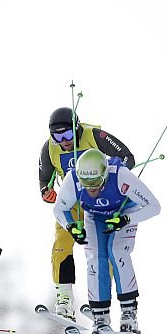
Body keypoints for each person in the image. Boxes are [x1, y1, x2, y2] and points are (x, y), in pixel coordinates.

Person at [37, 107, 136, 319]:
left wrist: (115, 174)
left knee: (99, 251)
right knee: (61, 245)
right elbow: (44, 179)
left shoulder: (93, 135)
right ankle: (64, 299)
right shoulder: (49, 149)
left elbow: (128, 157)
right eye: (57, 136)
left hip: (98, 200)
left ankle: (100, 298)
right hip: (72, 201)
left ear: (77, 128)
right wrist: (47, 192)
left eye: (68, 134)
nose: (64, 141)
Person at [53, 148, 160, 334]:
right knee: (95, 257)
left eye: (96, 184)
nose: (92, 190)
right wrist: (71, 227)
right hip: (95, 217)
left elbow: (154, 206)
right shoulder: (73, 179)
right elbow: (60, 208)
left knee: (116, 252)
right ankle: (100, 318)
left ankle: (129, 314)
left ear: (104, 174)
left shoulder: (120, 176)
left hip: (123, 213)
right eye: (87, 185)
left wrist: (127, 218)